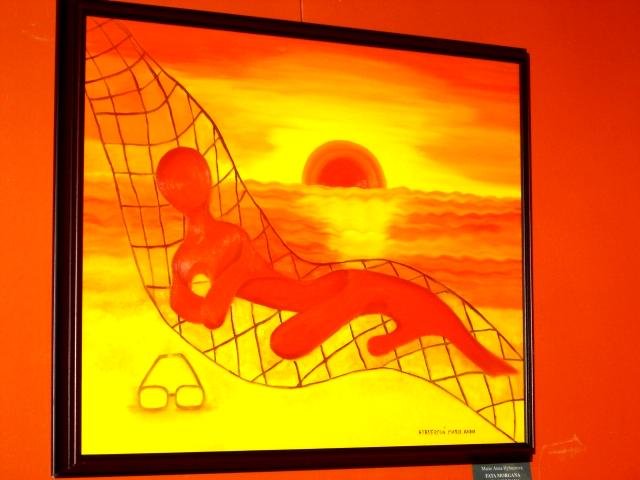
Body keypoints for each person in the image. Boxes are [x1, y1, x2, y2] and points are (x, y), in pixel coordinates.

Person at [156, 147, 516, 376]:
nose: (191, 186)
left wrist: (225, 283)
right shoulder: (186, 258)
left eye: (197, 176)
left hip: (312, 291)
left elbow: (211, 311)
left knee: (349, 295)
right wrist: (221, 286)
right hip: (310, 297)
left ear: (207, 179)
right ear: (167, 192)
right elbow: (202, 312)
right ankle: (406, 318)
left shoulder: (230, 235)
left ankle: (415, 320)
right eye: (179, 182)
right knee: (285, 341)